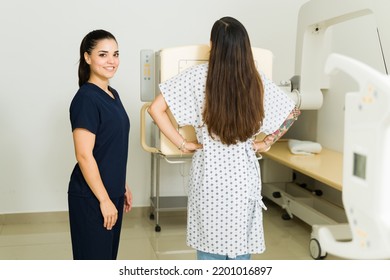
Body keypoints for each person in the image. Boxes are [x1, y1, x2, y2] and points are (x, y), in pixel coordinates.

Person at [148, 16, 300, 260]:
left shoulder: (196, 76)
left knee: (209, 253)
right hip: (243, 179)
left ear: (213, 44)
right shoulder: (255, 80)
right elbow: (291, 113)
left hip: (209, 179)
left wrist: (182, 143)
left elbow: (155, 109)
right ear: (244, 47)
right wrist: (265, 142)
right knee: (240, 253)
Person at [68, 29, 132, 260]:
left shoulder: (112, 93)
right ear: (87, 57)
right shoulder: (86, 98)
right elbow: (84, 155)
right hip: (92, 197)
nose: (112, 61)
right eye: (103, 54)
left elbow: (110, 145)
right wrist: (104, 199)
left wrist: (121, 184)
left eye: (115, 54)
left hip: (111, 191)